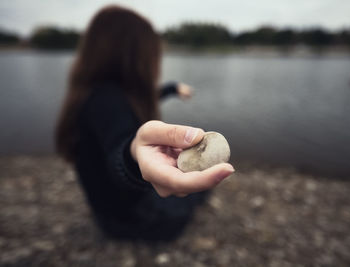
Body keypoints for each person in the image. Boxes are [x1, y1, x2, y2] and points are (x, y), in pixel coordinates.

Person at [55, 5, 234, 241]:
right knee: (196, 193)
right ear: (133, 54)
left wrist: (171, 88)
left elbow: (130, 109)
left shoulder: (93, 95)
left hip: (106, 211)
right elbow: (120, 145)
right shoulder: (108, 102)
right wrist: (134, 155)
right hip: (129, 221)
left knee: (191, 184)